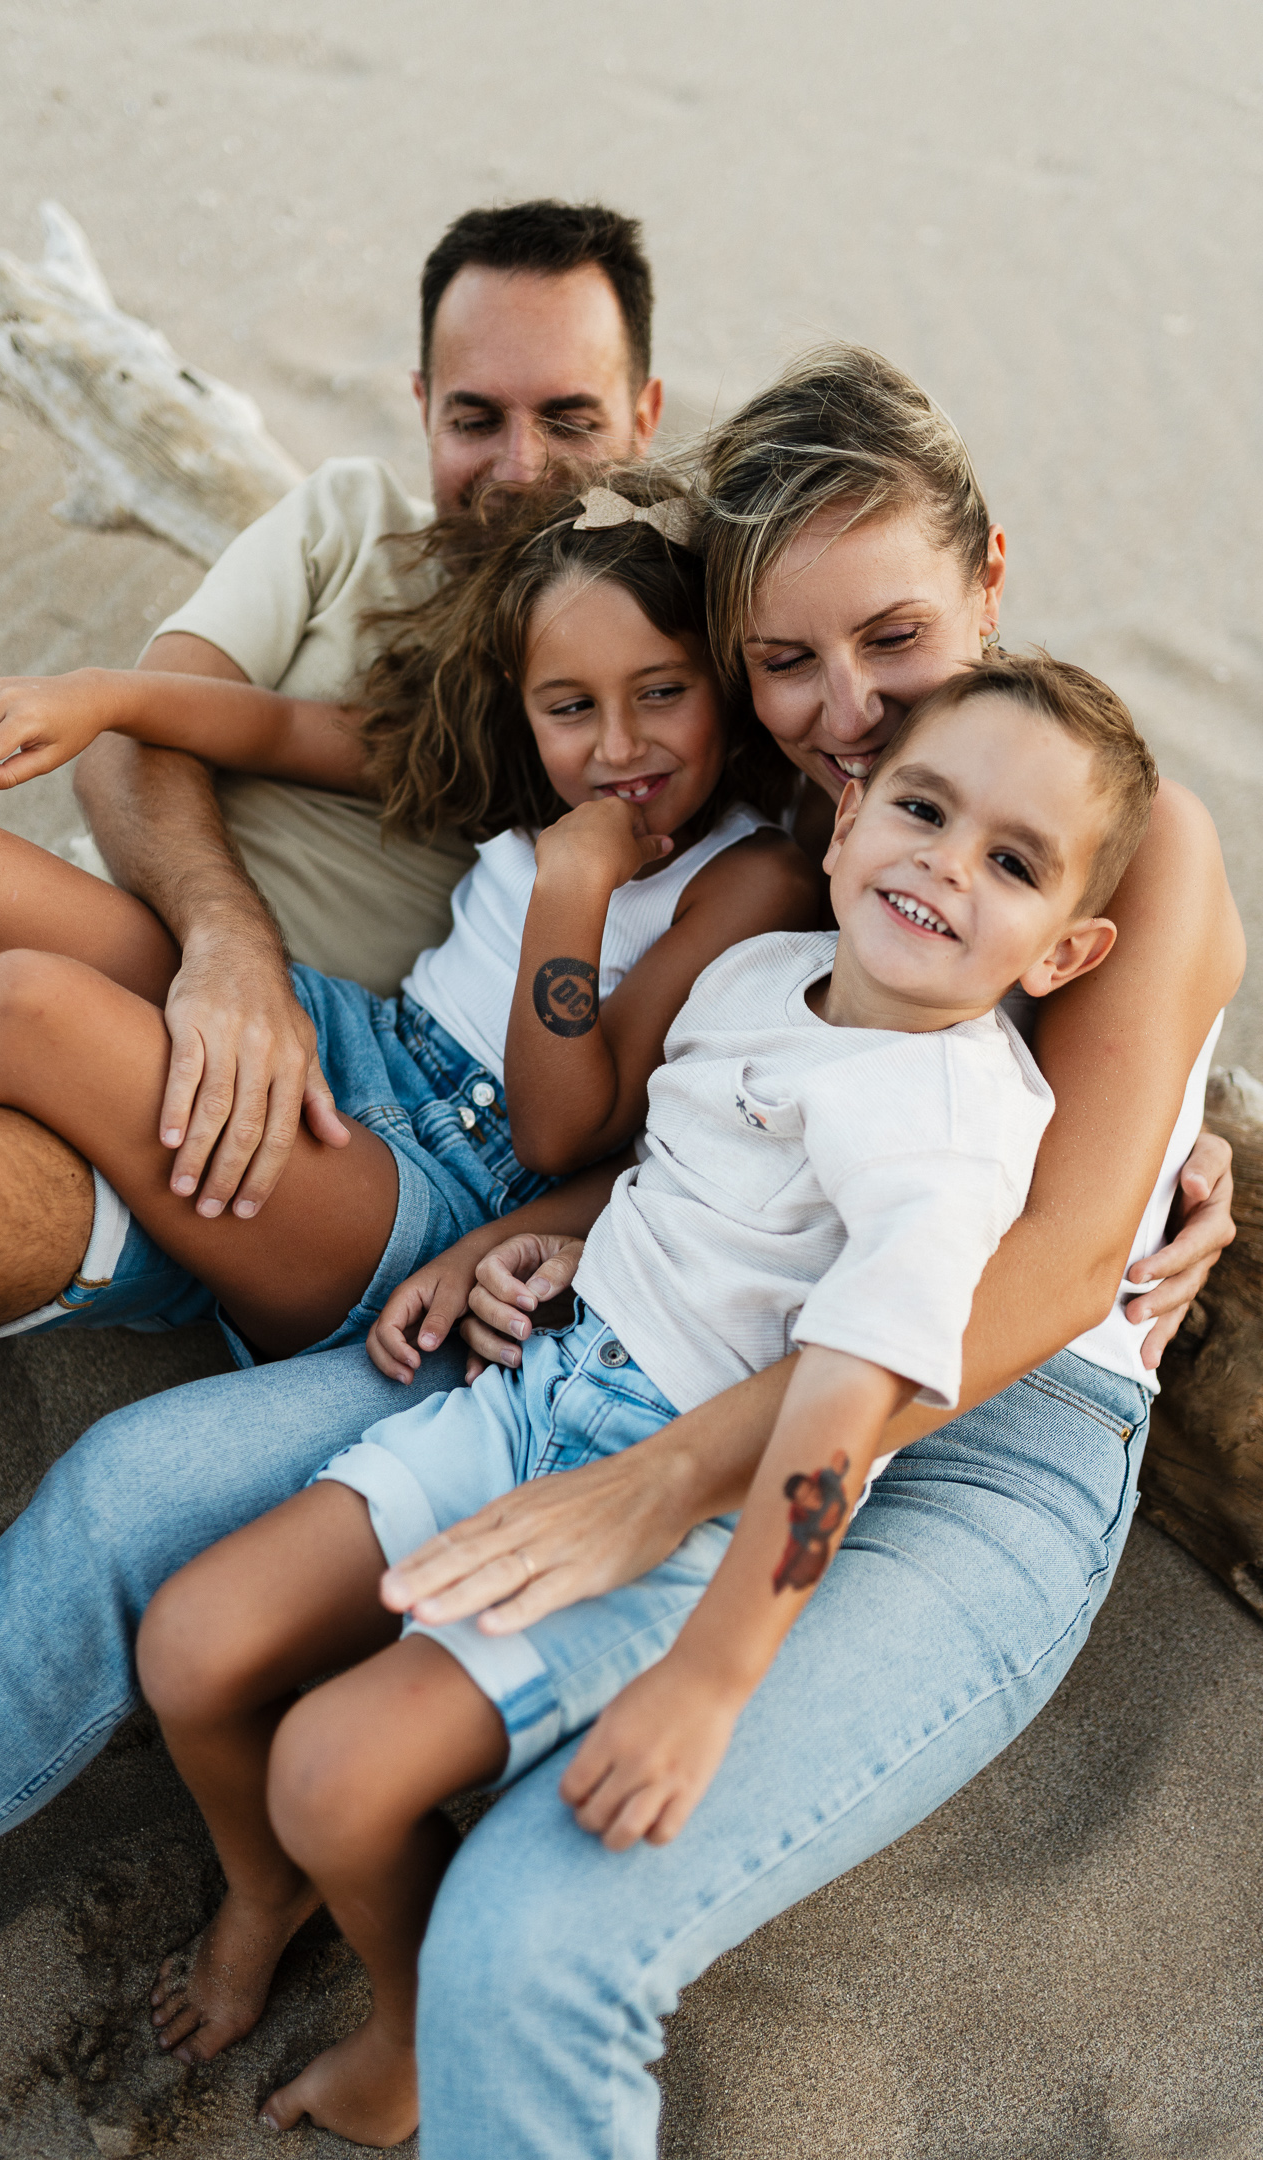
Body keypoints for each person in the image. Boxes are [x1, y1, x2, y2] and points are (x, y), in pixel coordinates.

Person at [0, 347, 1241, 2160]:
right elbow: (718, 1116)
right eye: (786, 662)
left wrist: (664, 1480)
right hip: (650, 1325)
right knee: (125, 1495)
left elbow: (1033, 1279)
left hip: (979, 1429)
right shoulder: (798, 823)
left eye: (894, 639)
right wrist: (546, 1230)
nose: (849, 709)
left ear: (992, 578)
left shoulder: (1112, 829)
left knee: (546, 1918)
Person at [131, 653, 1156, 2145]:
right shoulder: (758, 975)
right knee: (193, 1649)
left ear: (1065, 954)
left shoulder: (948, 1127)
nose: (945, 865)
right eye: (925, 809)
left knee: (333, 1770)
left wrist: (710, 1682)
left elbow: (834, 1427)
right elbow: (683, 1184)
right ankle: (270, 1890)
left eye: (1012, 863)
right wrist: (555, 1241)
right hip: (530, 1391)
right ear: (852, 807)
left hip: (666, 1506)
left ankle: (410, 2025)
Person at [0, 198, 667, 1449]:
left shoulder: (628, 672)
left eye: (571, 417)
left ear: (646, 414)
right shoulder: (353, 538)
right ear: (423, 400)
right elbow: (158, 740)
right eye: (476, 418)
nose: (521, 467)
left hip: (332, 1119)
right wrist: (229, 944)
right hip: (167, 953)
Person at [0, 471, 810, 1518]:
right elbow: (277, 730)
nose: (619, 747)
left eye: (663, 691)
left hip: (437, 1189)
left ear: (724, 680)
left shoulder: (752, 876)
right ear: (524, 706)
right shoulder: (523, 777)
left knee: (23, 1007)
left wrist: (575, 884)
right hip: (353, 1039)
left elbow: (561, 1132)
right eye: (571, 706)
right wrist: (100, 695)